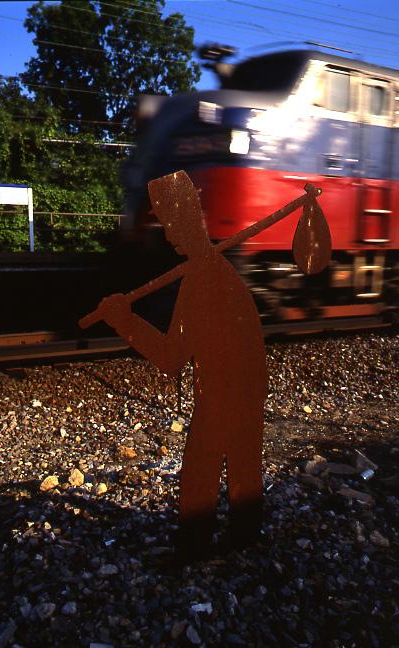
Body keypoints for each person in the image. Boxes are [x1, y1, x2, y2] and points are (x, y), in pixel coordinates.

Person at [97, 171, 268, 557]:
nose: (169, 235)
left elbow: (170, 357)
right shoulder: (212, 271)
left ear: (191, 218)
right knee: (242, 466)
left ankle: (194, 550)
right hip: (246, 386)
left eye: (171, 224)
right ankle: (244, 541)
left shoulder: (203, 277)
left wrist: (125, 321)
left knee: (200, 471)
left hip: (226, 389)